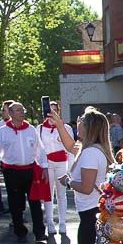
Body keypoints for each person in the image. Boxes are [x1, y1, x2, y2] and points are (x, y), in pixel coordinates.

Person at [51, 105, 118, 244]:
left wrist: (68, 182)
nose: (76, 123)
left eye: (80, 121)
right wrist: (59, 124)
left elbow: (87, 187)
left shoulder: (90, 153)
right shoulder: (94, 149)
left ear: (88, 127)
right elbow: (70, 145)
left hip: (91, 217)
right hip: (100, 215)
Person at [0, 101, 45, 243]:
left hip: (30, 170)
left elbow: (40, 149)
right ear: (11, 113)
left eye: (23, 110)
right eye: (18, 110)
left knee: (35, 203)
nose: (22, 113)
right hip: (12, 172)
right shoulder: (2, 131)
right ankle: (20, 232)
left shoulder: (31, 129)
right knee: (15, 204)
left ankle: (39, 233)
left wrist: (44, 166)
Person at [38, 101, 73, 236]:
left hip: (62, 163)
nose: (51, 114)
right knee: (48, 195)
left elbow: (70, 148)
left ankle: (63, 223)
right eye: (49, 111)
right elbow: (38, 150)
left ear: (58, 112)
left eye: (54, 111)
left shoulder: (66, 128)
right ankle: (50, 223)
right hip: (47, 164)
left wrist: (70, 169)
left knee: (61, 194)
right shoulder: (40, 128)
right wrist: (42, 165)